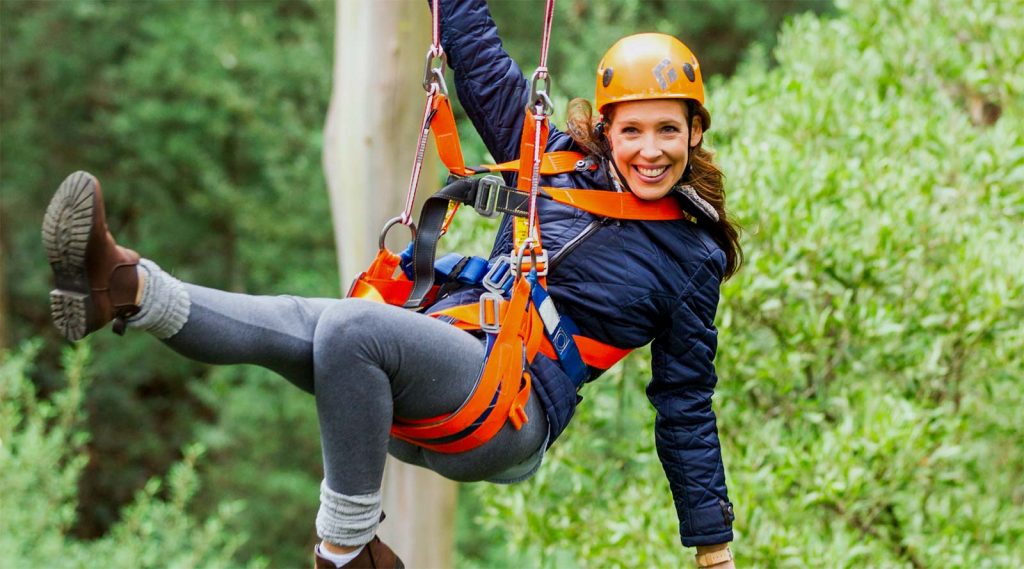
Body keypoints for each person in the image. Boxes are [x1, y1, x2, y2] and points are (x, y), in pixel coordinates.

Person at [43, 0, 741, 567]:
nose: (652, 150)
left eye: (669, 130)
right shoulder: (548, 163)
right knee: (309, 321)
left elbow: (685, 404)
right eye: (635, 130)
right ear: (608, 129)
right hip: (443, 360)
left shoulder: (690, 255)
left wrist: (713, 548)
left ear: (694, 133)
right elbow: (475, 49)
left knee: (350, 330)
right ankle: (125, 287)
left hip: (511, 412)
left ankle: (343, 550)